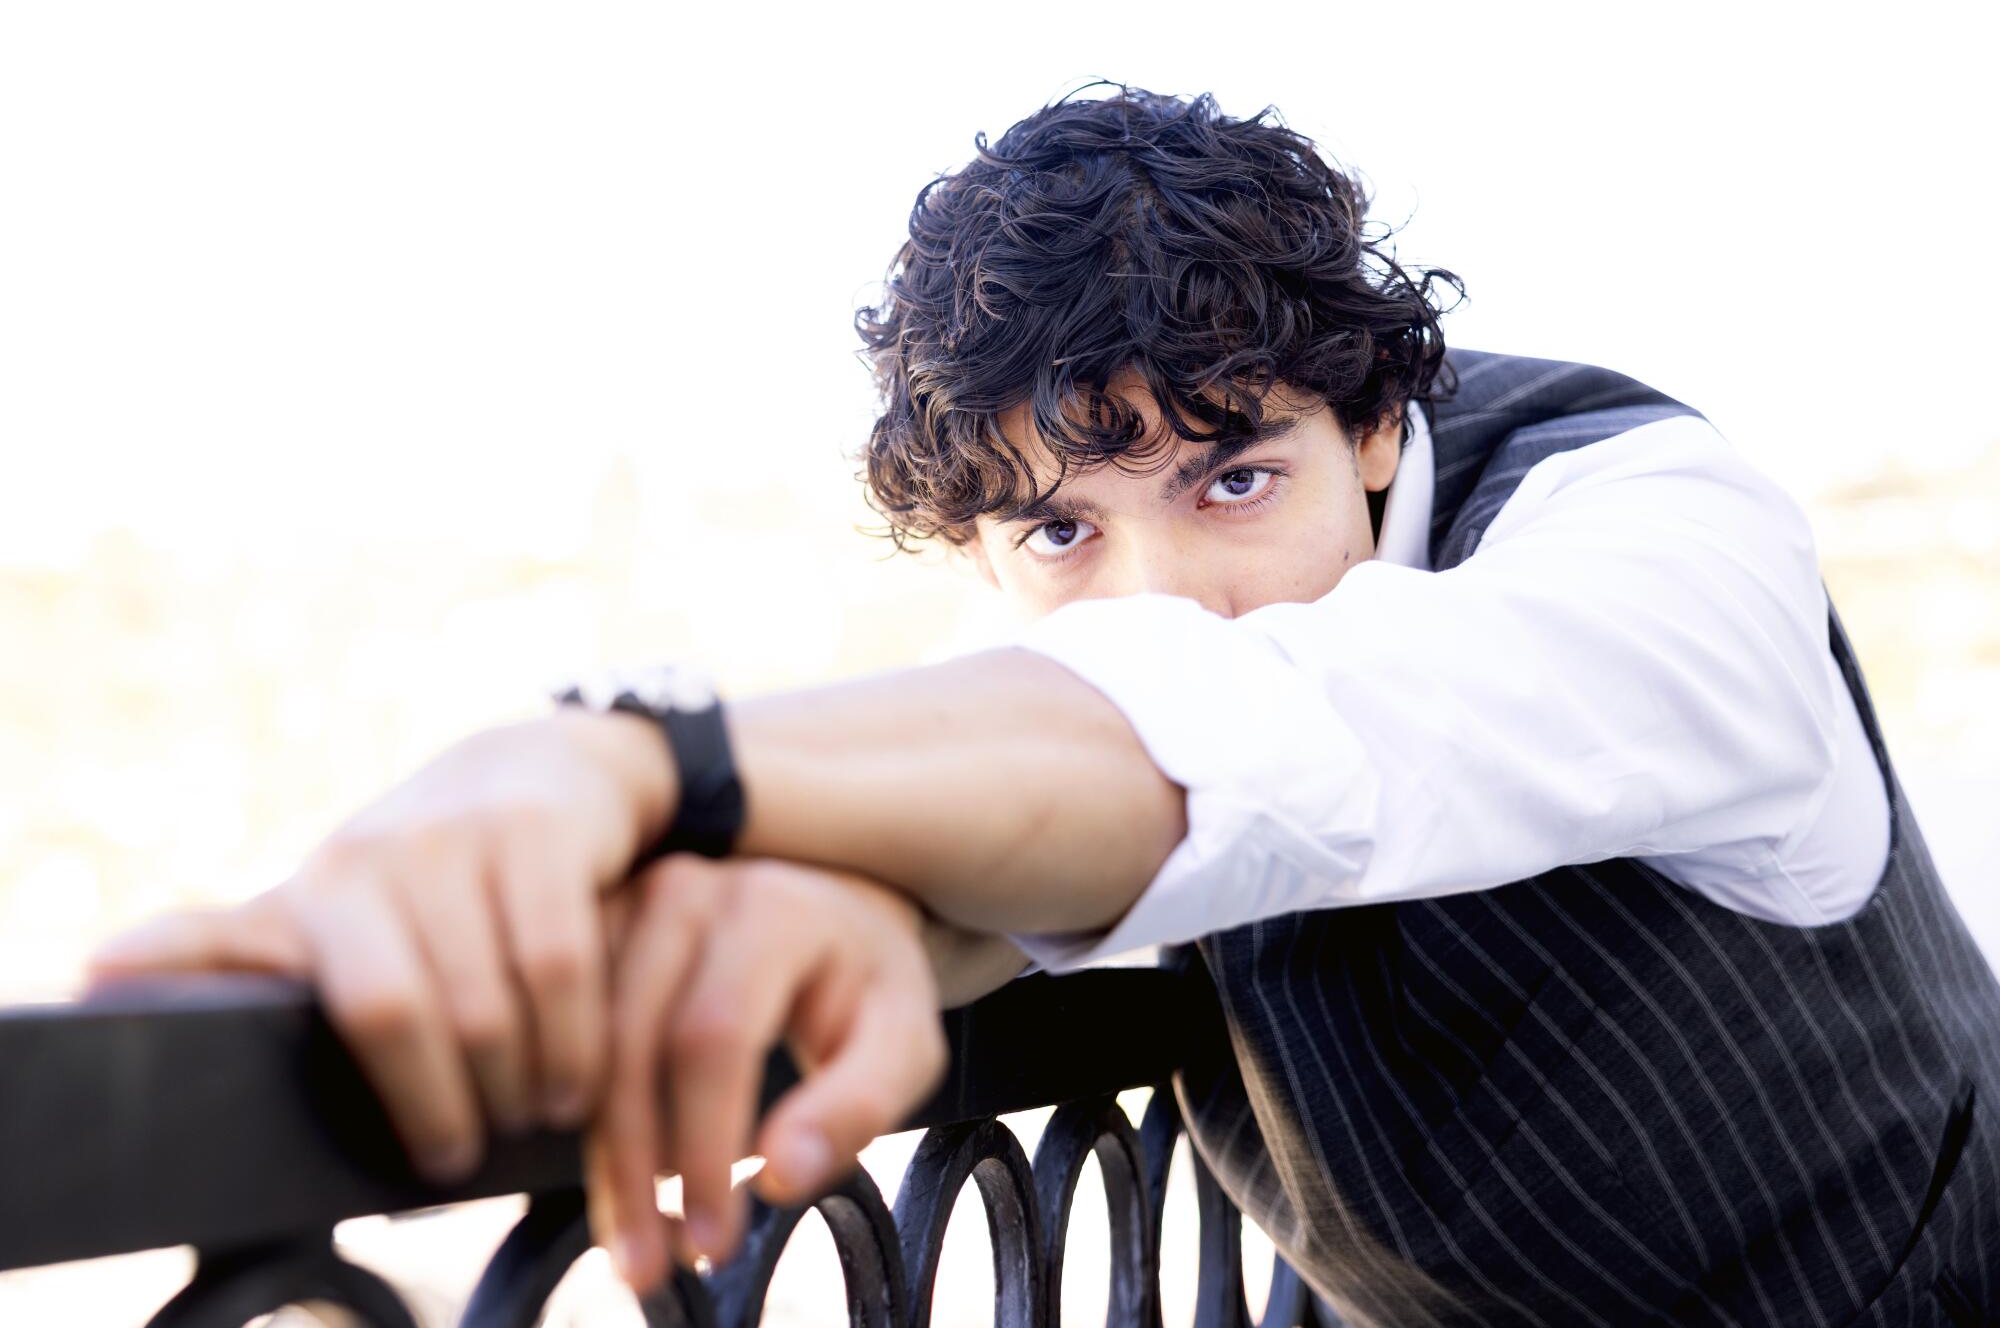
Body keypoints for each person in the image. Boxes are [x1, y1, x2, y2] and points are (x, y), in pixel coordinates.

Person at [86, 85, 2000, 1323]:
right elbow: (978, 873)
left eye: (1230, 480)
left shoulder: (1656, 530)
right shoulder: (1041, 726)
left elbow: (1293, 722)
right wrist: (667, 925)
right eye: (1059, 531)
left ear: (1377, 421)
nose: (1155, 588)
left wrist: (643, 765)